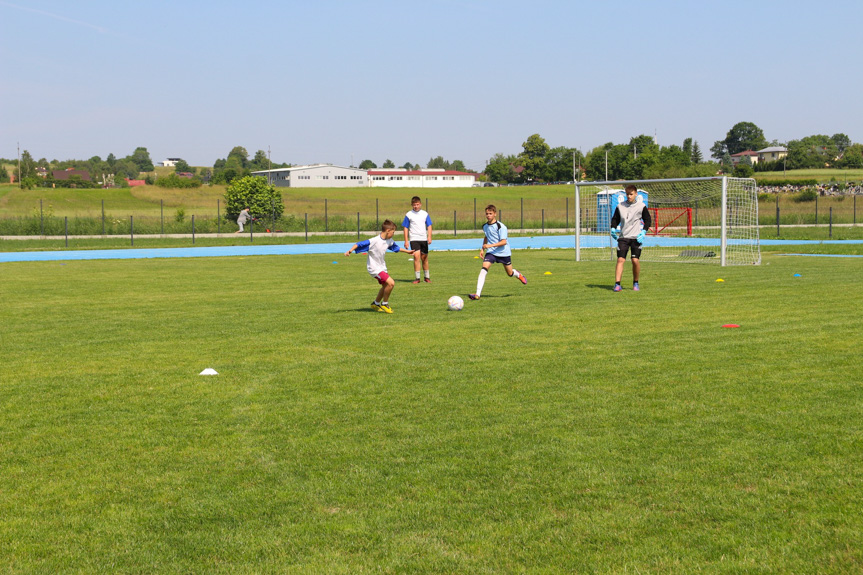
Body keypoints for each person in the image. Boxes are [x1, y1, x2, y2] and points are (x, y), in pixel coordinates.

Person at [345, 220, 416, 313]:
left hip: (382, 267)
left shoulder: (389, 240)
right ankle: (385, 304)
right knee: (391, 283)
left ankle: (376, 303)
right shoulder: (374, 241)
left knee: (386, 286)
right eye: (393, 232)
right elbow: (359, 244)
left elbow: (396, 248)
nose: (393, 234)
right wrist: (350, 250)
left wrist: (408, 251)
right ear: (388, 231)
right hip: (374, 268)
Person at [468, 204, 526, 300]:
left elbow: (504, 242)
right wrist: (483, 249)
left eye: (490, 213)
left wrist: (489, 245)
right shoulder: (485, 226)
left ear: (495, 214)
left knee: (510, 273)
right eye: (487, 214)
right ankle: (477, 294)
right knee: (483, 269)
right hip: (491, 252)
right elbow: (486, 236)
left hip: (503, 253)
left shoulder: (501, 227)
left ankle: (518, 274)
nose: (488, 215)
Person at [610, 184, 652, 291]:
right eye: (627, 194)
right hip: (623, 237)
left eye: (631, 194)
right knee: (620, 260)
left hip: (636, 238)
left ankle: (636, 283)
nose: (629, 196)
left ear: (636, 194)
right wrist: (613, 228)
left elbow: (648, 220)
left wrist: (643, 232)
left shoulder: (641, 206)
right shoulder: (620, 206)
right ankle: (617, 284)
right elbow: (615, 219)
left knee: (635, 260)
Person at [403, 196, 433, 283]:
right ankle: (417, 278)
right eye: (414, 205)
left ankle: (427, 277)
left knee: (424, 258)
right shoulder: (409, 215)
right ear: (412, 205)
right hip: (414, 239)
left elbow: (429, 225)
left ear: (420, 204)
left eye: (417, 204)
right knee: (416, 257)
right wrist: (406, 240)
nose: (416, 206)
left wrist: (429, 236)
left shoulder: (425, 214)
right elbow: (405, 227)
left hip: (423, 238)